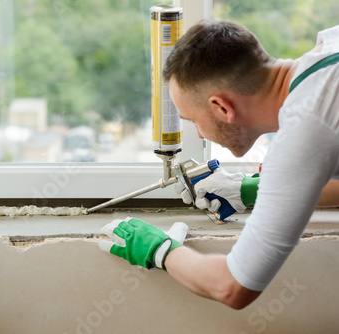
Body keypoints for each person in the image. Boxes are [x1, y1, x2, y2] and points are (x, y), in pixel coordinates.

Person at [99, 20, 339, 309]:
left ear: (222, 108)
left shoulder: (305, 129)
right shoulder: (330, 46)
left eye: (193, 120)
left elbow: (232, 286)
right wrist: (255, 189)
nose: (199, 134)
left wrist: (162, 250)